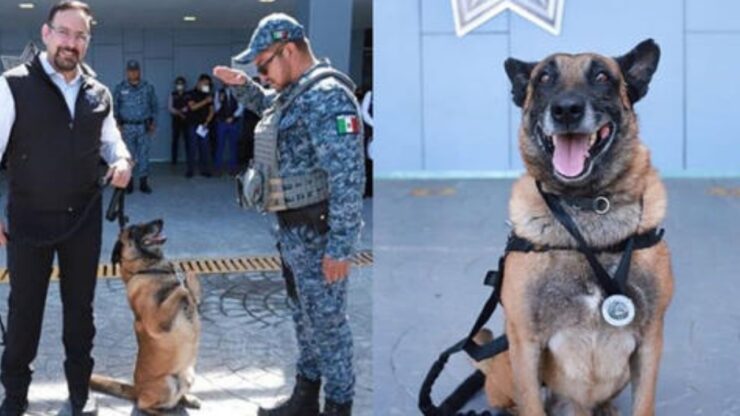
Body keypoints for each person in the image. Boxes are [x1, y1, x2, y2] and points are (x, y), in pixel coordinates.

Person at [214, 13, 365, 416]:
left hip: (319, 235)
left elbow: (348, 177)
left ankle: (338, 405)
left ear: (291, 50)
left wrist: (340, 247)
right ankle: (305, 398)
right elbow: (272, 108)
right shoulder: (297, 93)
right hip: (293, 232)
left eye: (263, 65)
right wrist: (244, 86)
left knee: (330, 326)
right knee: (304, 317)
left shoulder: (329, 96)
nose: (261, 74)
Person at [0, 1, 132, 415]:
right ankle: (15, 397)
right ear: (46, 33)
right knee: (25, 314)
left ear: (87, 42)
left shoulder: (99, 92)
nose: (71, 43)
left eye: (80, 36)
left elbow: (112, 142)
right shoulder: (13, 85)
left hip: (82, 222)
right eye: (64, 32)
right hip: (29, 223)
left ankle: (79, 391)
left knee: (81, 312)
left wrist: (123, 161)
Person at [185, 74, 214, 177]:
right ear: (199, 82)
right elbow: (193, 107)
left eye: (208, 84)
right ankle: (190, 170)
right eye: (204, 83)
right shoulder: (190, 93)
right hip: (192, 125)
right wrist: (206, 101)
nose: (206, 85)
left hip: (203, 125)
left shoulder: (208, 94)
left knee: (204, 148)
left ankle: (205, 170)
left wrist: (207, 122)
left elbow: (212, 111)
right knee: (192, 148)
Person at [213, 83, 244, 175]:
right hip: (222, 122)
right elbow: (216, 108)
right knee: (220, 145)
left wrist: (233, 117)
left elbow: (241, 107)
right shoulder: (218, 93)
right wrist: (221, 101)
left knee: (233, 146)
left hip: (234, 122)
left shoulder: (237, 92)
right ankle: (217, 168)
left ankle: (233, 168)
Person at [168, 75, 189, 165]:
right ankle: (174, 160)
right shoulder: (172, 94)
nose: (180, 85)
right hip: (176, 120)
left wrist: (184, 110)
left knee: (187, 140)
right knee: (175, 140)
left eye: (182, 84)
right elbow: (170, 107)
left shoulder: (188, 95)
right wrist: (179, 112)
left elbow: (189, 106)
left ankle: (189, 159)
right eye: (178, 84)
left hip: (186, 120)